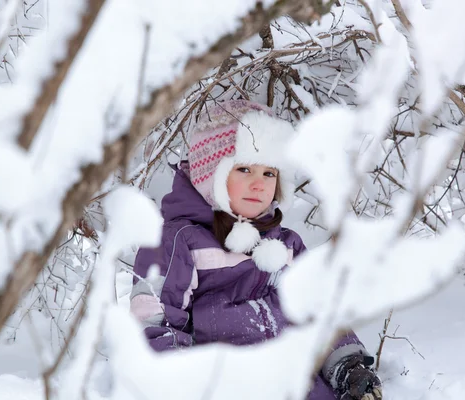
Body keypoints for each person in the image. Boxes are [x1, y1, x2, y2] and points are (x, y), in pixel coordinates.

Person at [130, 100, 382, 400]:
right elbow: (155, 324)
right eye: (245, 169)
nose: (258, 184)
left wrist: (347, 365)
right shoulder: (176, 242)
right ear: (210, 176)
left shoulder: (285, 245)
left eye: (269, 173)